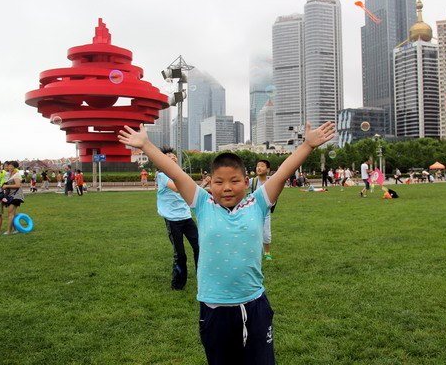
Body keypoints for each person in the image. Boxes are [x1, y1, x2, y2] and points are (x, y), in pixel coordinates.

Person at [118, 120, 334, 365]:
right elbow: (175, 173)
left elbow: (284, 172)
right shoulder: (203, 203)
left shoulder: (258, 203)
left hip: (254, 306)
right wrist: (146, 145)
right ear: (210, 183)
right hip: (214, 310)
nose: (227, 188)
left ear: (246, 182)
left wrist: (307, 145)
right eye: (219, 182)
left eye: (234, 181)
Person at [156, 147, 200, 290]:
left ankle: (202, 277)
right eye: (169, 155)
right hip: (172, 220)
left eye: (174, 155)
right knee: (180, 254)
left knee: (199, 247)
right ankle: (177, 285)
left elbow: (191, 190)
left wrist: (204, 184)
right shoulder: (162, 175)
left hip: (186, 217)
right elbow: (176, 188)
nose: (173, 157)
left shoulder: (181, 174)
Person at [250, 159, 273, 260]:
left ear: (268, 169)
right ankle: (252, 251)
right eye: (258, 166)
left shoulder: (271, 182)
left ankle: (267, 252)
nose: (259, 168)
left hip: (265, 212)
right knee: (252, 232)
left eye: (262, 166)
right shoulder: (253, 181)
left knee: (266, 234)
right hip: (253, 212)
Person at [1, 161, 24, 234]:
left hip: (16, 196)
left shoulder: (17, 175)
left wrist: (6, 186)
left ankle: (9, 231)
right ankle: (16, 229)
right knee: (13, 213)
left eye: (11, 166)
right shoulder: (9, 174)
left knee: (10, 213)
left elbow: (18, 185)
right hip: (11, 196)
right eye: (9, 166)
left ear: (15, 167)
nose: (9, 167)